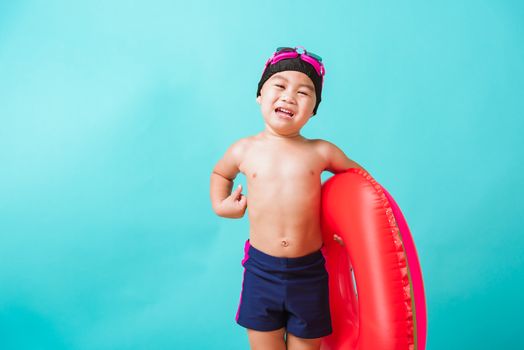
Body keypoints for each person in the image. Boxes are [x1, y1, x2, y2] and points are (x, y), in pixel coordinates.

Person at [209, 46, 367, 350]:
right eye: (279, 86)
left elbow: (361, 184)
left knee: (306, 346)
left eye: (304, 93)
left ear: (313, 110)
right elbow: (220, 175)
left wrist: (353, 233)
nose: (289, 96)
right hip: (261, 271)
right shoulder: (244, 150)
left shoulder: (321, 152)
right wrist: (221, 204)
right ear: (260, 95)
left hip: (308, 273)